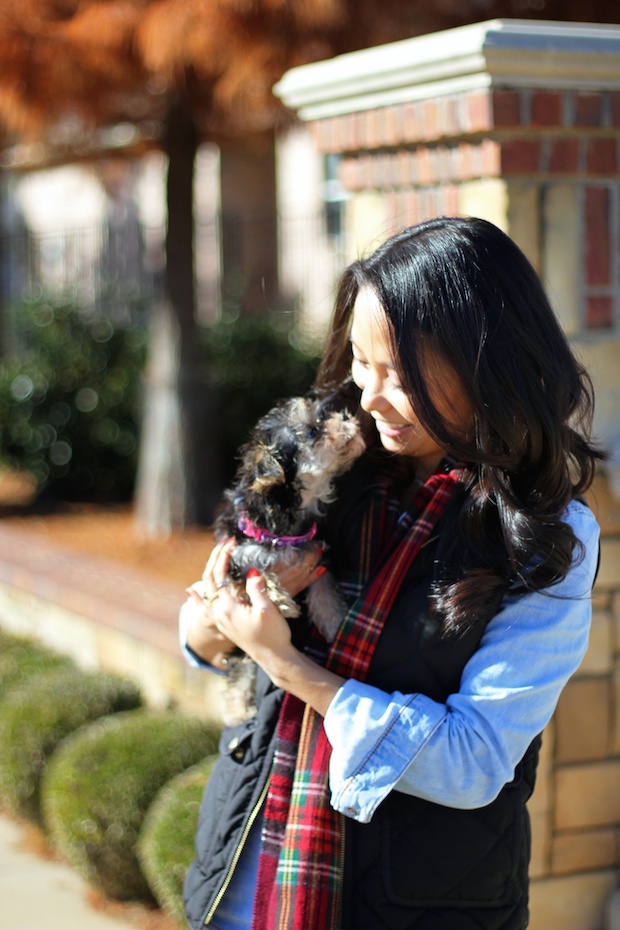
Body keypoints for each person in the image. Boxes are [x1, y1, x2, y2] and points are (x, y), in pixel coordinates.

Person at [179, 216, 603, 930]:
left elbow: (472, 762)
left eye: (400, 376)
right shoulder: (322, 462)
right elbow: (201, 636)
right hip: (245, 888)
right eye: (361, 364)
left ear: (485, 366)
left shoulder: (547, 539)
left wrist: (284, 664)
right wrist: (222, 621)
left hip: (417, 906)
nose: (368, 397)